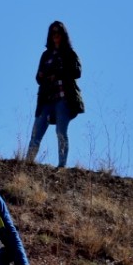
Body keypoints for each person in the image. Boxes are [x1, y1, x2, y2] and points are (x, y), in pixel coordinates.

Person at [25, 20, 85, 168]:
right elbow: (37, 78)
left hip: (64, 99)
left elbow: (77, 72)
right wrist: (42, 75)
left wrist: (58, 74)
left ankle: (62, 166)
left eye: (58, 32)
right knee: (37, 131)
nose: (55, 35)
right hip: (47, 99)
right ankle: (26, 164)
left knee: (61, 132)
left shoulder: (70, 53)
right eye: (53, 33)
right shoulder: (46, 55)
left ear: (63, 35)